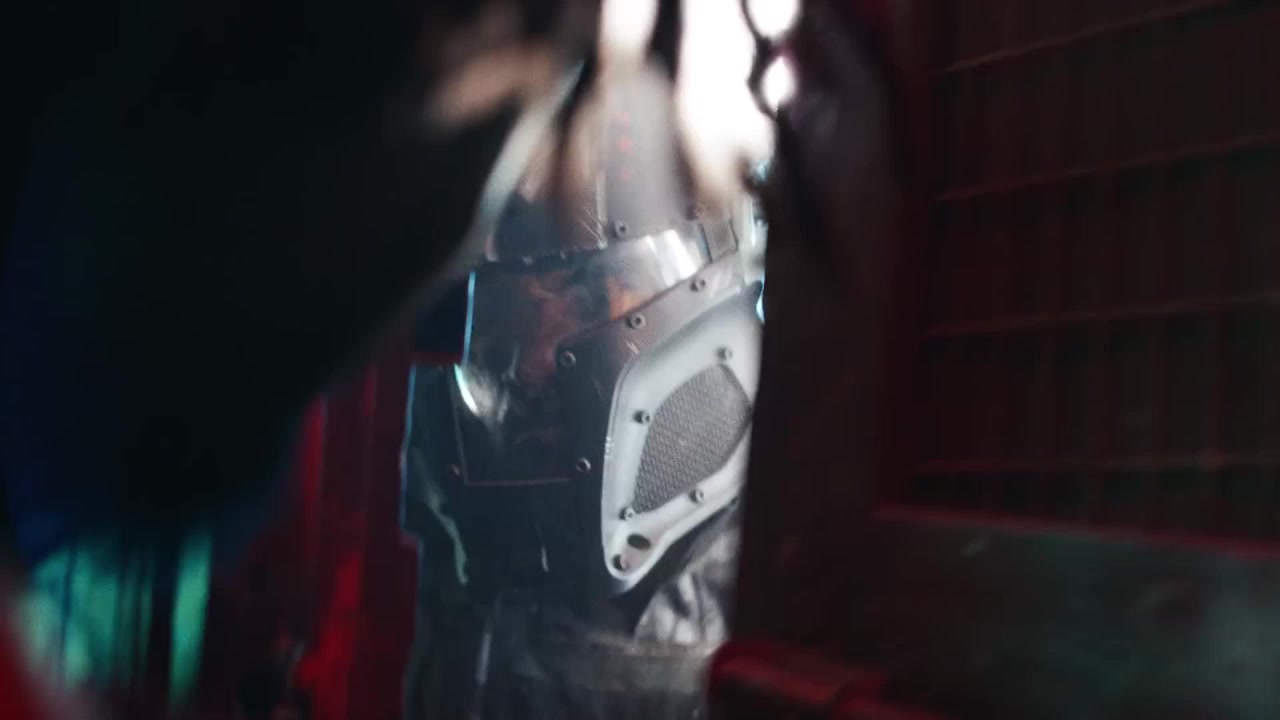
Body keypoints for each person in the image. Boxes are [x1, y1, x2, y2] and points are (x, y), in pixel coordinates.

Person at [400, 62, 765, 720]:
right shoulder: (437, 556)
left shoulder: (790, 563)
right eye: (507, 323)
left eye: (585, 300)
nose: (535, 364)